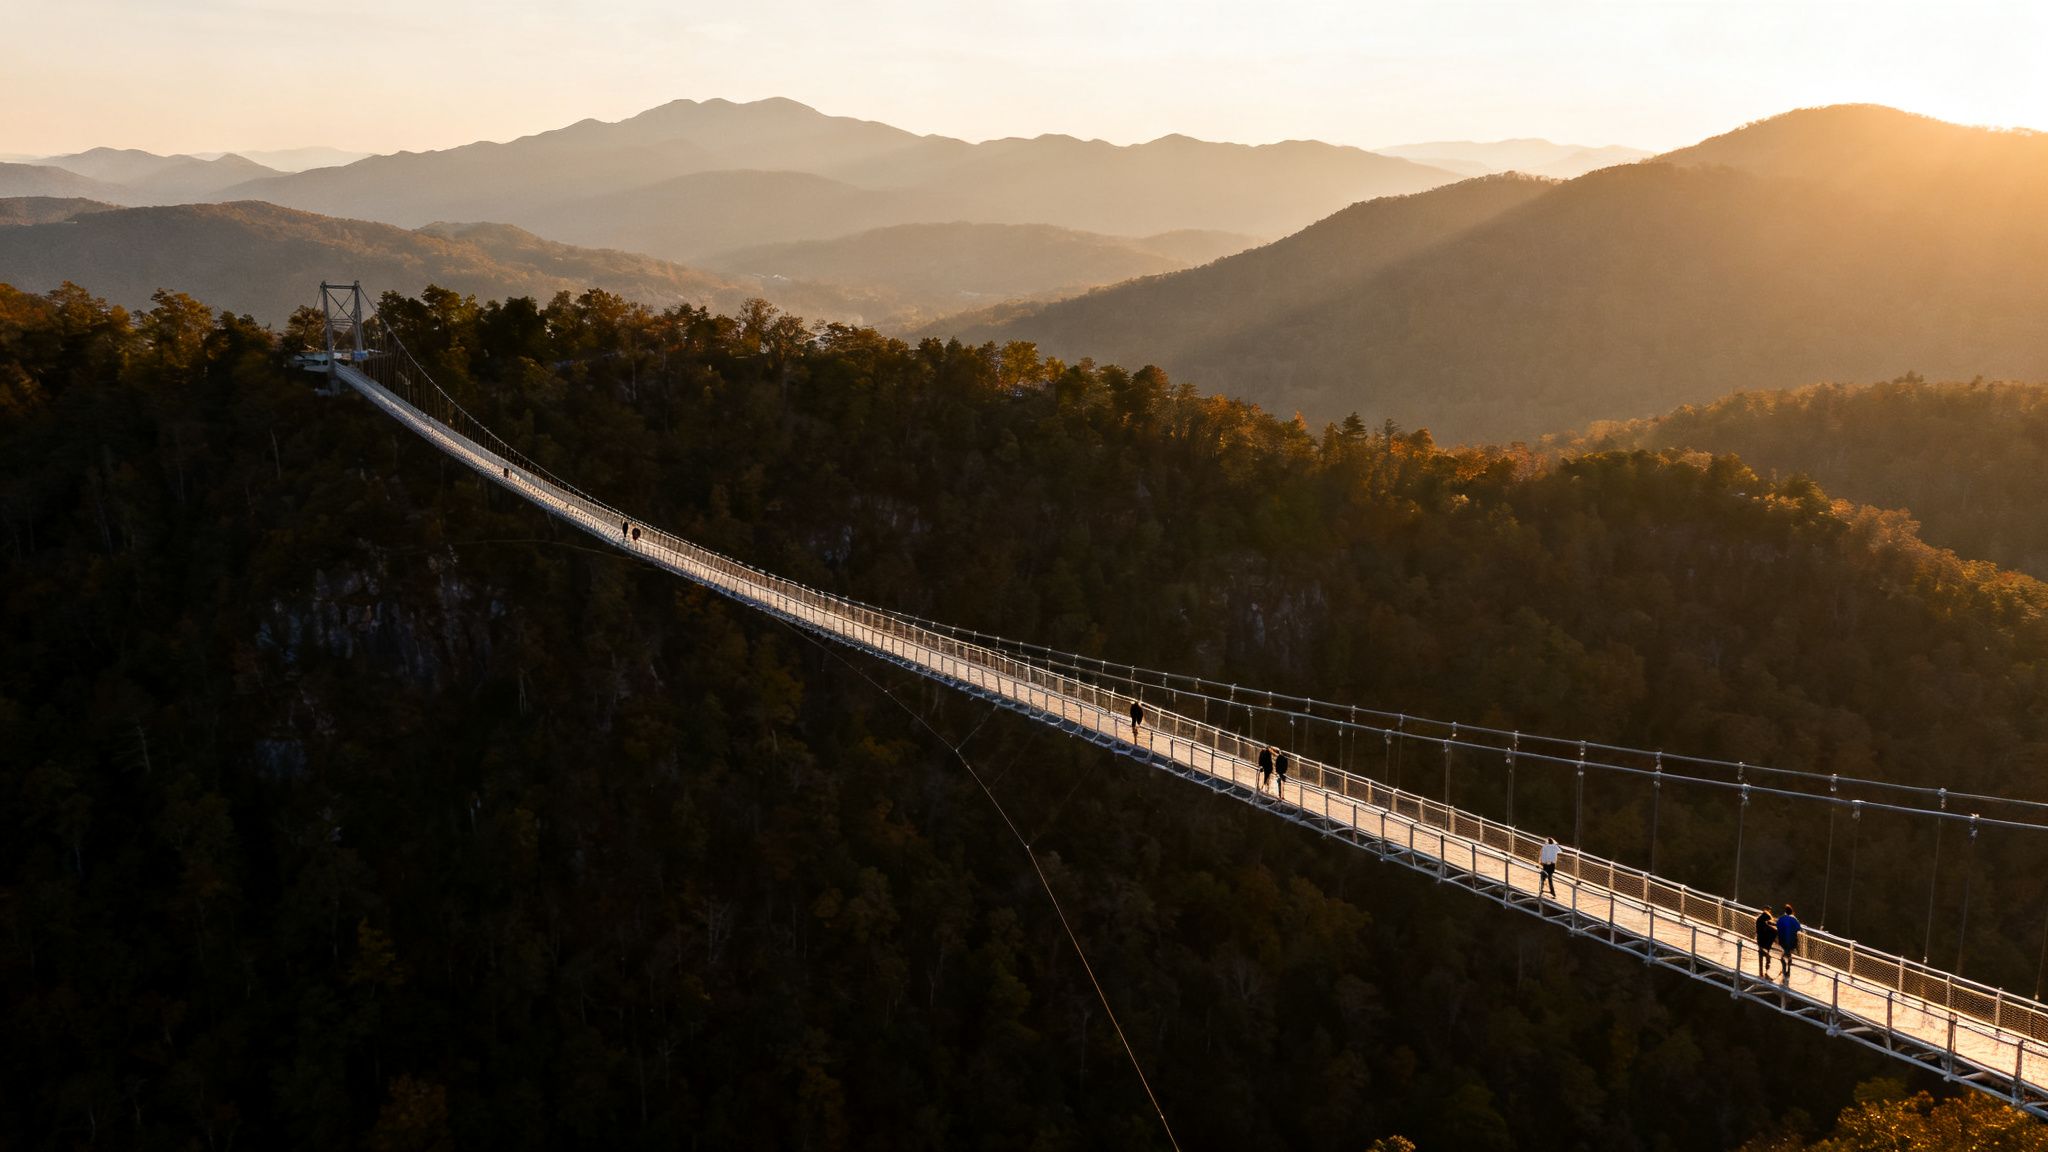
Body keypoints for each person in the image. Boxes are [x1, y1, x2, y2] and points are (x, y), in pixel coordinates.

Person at [1776, 904, 1802, 980]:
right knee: (1788, 954)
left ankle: (1785, 971)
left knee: (1784, 956)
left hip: (1783, 940)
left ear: (1785, 911)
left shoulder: (1781, 918)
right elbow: (1798, 928)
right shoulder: (1794, 919)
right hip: (1792, 941)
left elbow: (1778, 926)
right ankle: (1788, 970)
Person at [1753, 906, 1776, 977]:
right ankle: (1766, 969)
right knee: (1765, 953)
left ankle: (1761, 972)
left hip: (1760, 941)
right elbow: (1770, 927)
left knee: (1760, 955)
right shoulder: (1764, 923)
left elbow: (1769, 923)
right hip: (1765, 942)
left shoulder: (1760, 919)